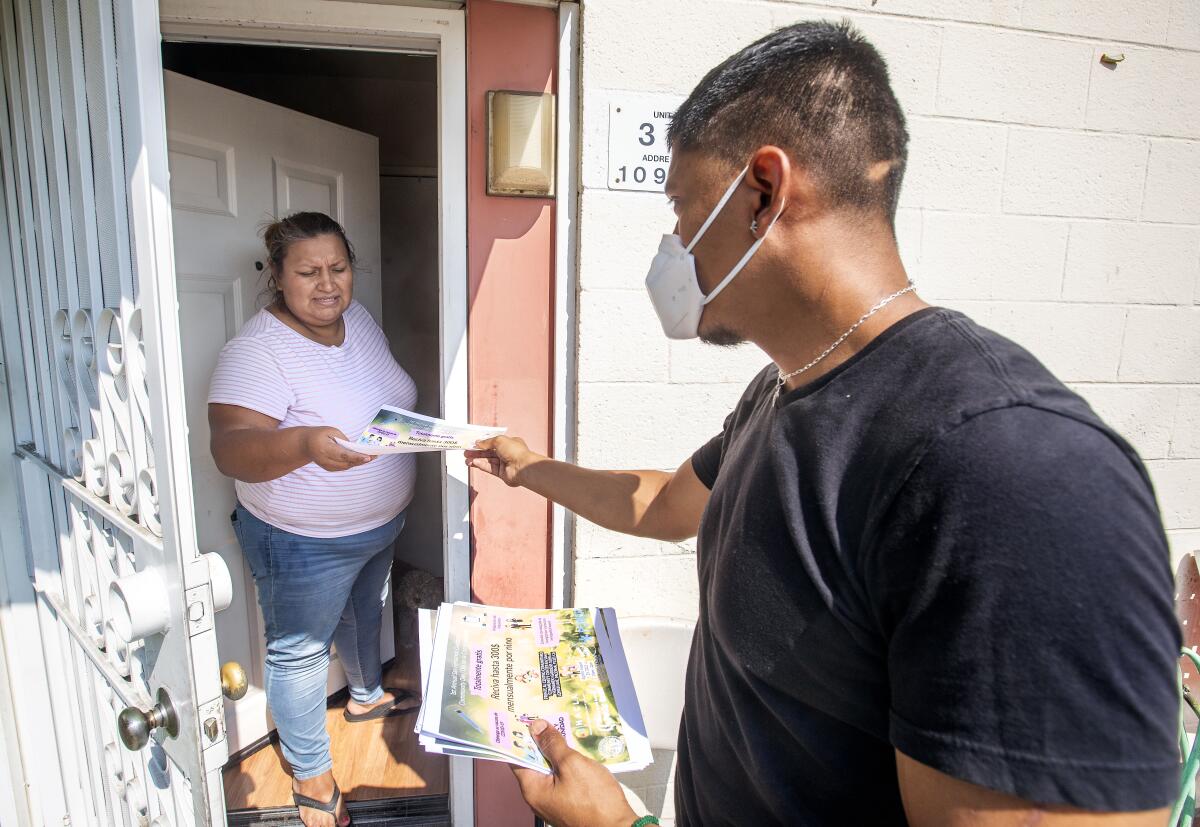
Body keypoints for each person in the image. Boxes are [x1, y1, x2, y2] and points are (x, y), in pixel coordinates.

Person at [466, 20, 1181, 827]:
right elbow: (664, 501)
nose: (671, 244)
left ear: (764, 191)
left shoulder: (1006, 466)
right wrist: (528, 467)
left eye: (680, 207)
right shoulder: (786, 389)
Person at [208, 211, 421, 827]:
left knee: (365, 612)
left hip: (377, 525)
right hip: (303, 541)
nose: (327, 284)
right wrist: (303, 444)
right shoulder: (258, 350)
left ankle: (363, 696)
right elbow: (230, 449)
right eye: (307, 272)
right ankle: (311, 775)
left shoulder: (358, 320)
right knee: (299, 654)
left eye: (338, 268)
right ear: (277, 276)